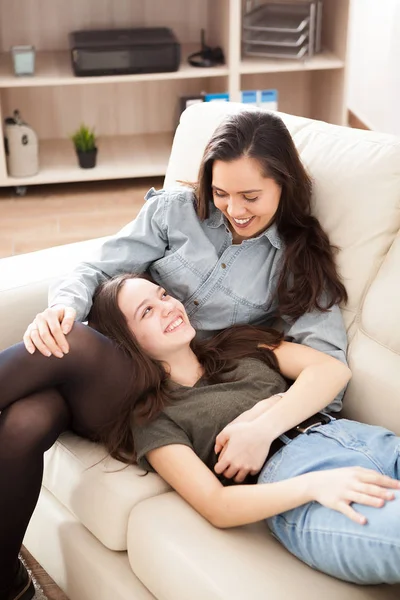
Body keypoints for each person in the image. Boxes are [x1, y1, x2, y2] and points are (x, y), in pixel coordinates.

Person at [0, 110, 349, 600]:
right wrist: (62, 307)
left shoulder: (298, 258)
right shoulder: (176, 211)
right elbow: (97, 269)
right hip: (104, 365)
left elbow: (326, 369)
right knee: (26, 420)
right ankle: (8, 583)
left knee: (72, 347)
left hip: (159, 395)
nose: (235, 210)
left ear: (284, 185)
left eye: (251, 196)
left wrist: (262, 424)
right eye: (222, 193)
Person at [90, 273, 400, 586]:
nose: (167, 307)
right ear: (126, 341)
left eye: (164, 296)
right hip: (304, 488)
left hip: (365, 440)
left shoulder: (238, 343)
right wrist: (314, 484)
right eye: (147, 311)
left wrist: (262, 422)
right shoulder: (153, 417)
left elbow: (331, 370)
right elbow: (216, 506)